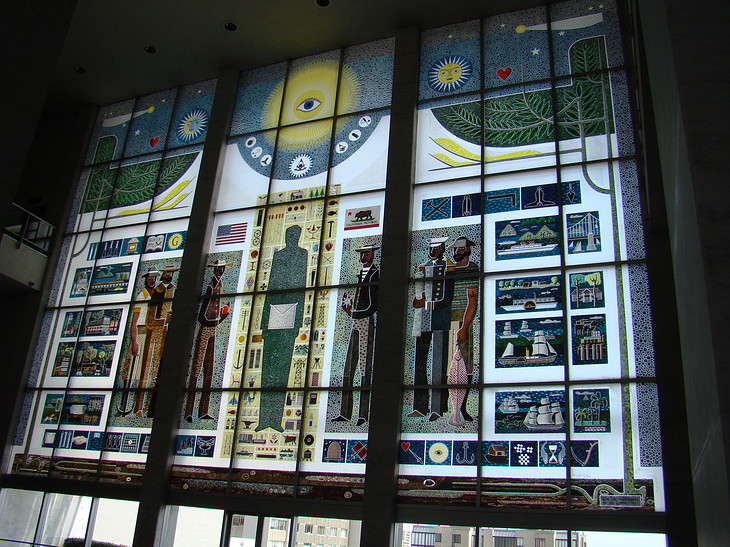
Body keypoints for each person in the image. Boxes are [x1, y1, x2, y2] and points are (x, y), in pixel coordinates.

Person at [256, 225, 307, 432]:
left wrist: (299, 320)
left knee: (283, 369)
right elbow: (270, 286)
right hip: (273, 316)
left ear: (298, 236)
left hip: (290, 315)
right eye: (289, 235)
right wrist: (263, 321)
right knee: (267, 369)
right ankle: (263, 420)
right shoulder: (279, 256)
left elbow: (303, 288)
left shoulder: (303, 255)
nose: (292, 238)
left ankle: (275, 420)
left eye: (295, 235)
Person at [332, 244, 380, 426]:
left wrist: (354, 313)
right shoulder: (359, 275)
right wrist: (348, 308)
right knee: (348, 368)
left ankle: (363, 414)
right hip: (355, 322)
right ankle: (345, 413)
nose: (363, 256)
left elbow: (373, 304)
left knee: (365, 368)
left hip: (366, 321)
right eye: (361, 253)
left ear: (373, 255)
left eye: (366, 253)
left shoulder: (375, 275)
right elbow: (356, 300)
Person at [409, 236, 455, 421]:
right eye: (431, 248)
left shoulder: (448, 266)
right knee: (419, 363)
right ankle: (420, 406)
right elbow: (416, 295)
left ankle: (437, 407)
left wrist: (425, 303)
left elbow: (447, 297)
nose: (433, 251)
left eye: (436, 248)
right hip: (422, 320)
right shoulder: (422, 266)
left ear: (443, 248)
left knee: (438, 364)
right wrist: (416, 302)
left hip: (439, 319)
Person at [185, 260, 231, 422]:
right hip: (205, 329)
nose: (221, 271)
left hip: (214, 329)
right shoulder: (211, 286)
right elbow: (202, 315)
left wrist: (221, 317)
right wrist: (220, 318)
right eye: (219, 269)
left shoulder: (220, 284)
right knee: (197, 368)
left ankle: (203, 410)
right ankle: (188, 411)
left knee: (209, 370)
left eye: (223, 268)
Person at [447, 236, 479, 426]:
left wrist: (464, 327)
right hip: (445, 316)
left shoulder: (472, 268)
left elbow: (472, 301)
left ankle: (463, 407)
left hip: (463, 317)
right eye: (456, 249)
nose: (458, 252)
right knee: (447, 366)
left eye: (462, 249)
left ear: (468, 250)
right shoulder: (448, 268)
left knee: (465, 363)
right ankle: (450, 408)